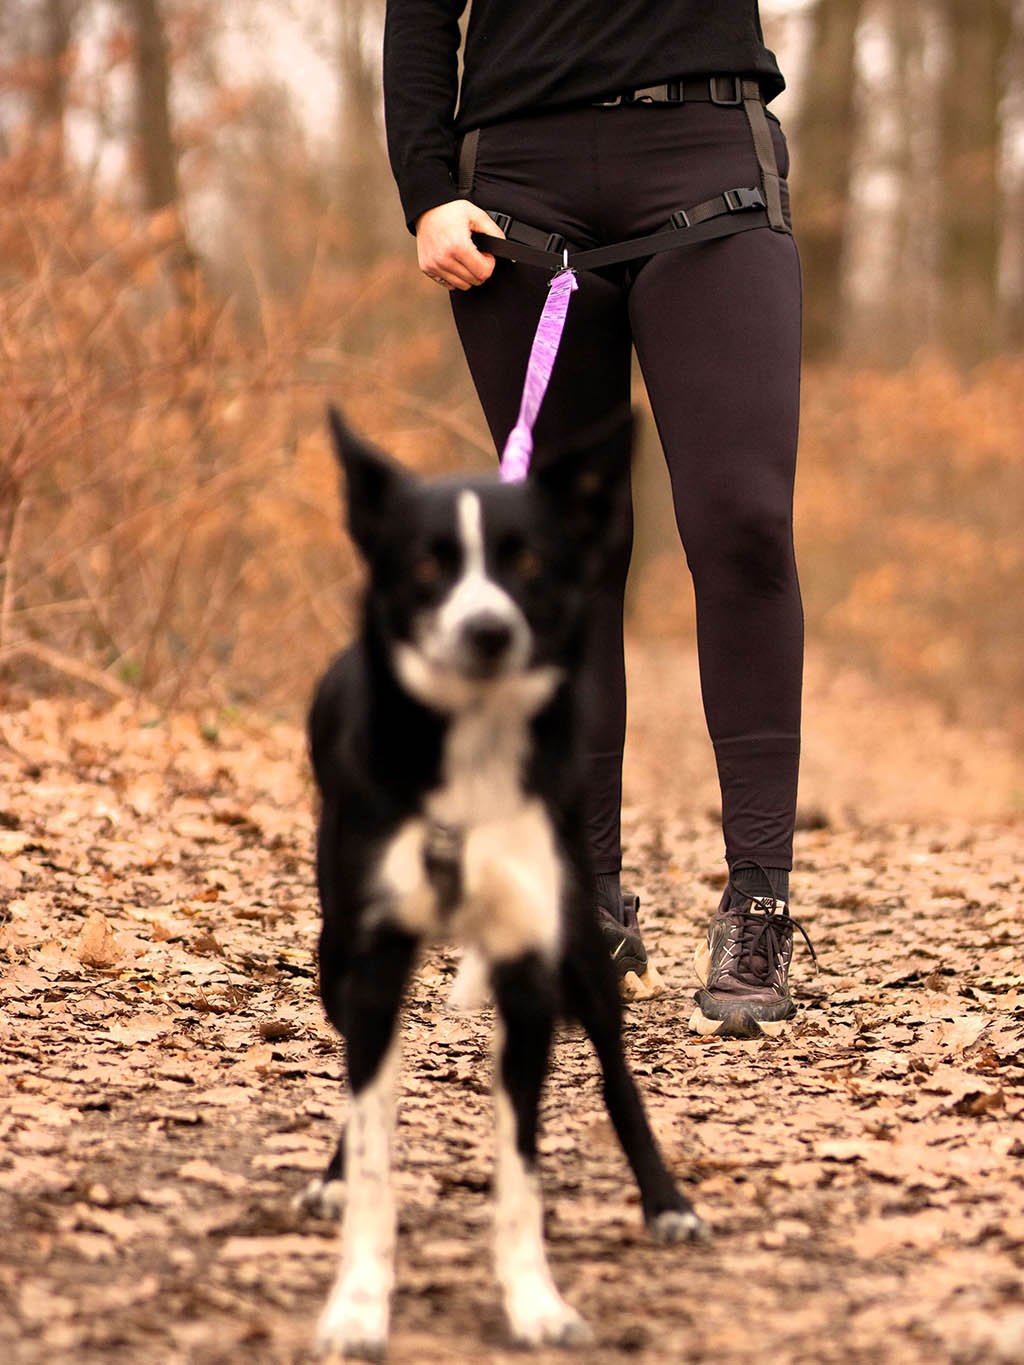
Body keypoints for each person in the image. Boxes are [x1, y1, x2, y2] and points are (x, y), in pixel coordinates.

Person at [381, 1, 813, 1038]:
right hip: (519, 188)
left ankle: (759, 899)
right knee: (567, 554)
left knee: (743, 522)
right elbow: (420, 11)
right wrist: (426, 190)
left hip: (707, 154)